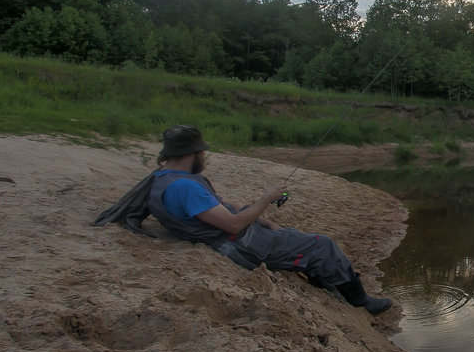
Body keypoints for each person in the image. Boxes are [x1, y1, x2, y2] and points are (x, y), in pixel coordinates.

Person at [99, 124, 392, 315]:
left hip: (229, 237)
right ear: (193, 153)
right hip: (239, 246)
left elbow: (222, 209)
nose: (205, 156)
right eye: (203, 152)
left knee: (294, 238)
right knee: (323, 244)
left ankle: (325, 283)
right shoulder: (185, 187)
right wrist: (265, 200)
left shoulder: (161, 179)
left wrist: (259, 217)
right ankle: (361, 301)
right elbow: (233, 225)